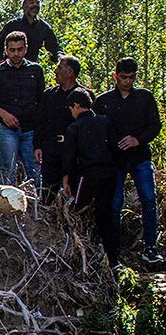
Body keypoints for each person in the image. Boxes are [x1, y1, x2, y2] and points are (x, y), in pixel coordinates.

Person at [93, 57, 163, 264]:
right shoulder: (104, 101)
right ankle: (114, 251)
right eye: (124, 77)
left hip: (140, 156)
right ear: (116, 76)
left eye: (132, 78)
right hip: (115, 160)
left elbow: (155, 125)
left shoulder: (144, 97)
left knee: (148, 200)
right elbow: (97, 130)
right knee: (115, 205)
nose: (128, 82)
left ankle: (150, 247)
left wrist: (137, 140)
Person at [62, 90, 121, 269]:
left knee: (74, 210)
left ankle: (78, 252)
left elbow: (69, 157)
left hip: (88, 176)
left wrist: (66, 180)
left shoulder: (74, 128)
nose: (71, 113)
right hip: (109, 174)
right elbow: (115, 147)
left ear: (77, 106)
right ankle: (113, 259)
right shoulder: (104, 121)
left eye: (71, 109)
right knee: (105, 215)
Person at [0, 30, 45, 187]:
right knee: (7, 170)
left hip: (30, 128)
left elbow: (41, 101)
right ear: (6, 50)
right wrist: (3, 114)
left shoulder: (35, 70)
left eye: (20, 49)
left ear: (26, 49)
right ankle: (7, 208)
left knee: (34, 171)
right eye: (12, 50)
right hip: (6, 128)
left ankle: (37, 208)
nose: (16, 54)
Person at [35, 56, 92, 200]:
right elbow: (40, 122)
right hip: (51, 148)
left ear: (70, 72)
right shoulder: (49, 95)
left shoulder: (85, 96)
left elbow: (91, 125)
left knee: (73, 192)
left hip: (75, 151)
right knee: (48, 193)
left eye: (59, 67)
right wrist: (38, 146)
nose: (55, 70)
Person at [0, 0, 64, 65]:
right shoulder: (13, 25)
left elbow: (54, 46)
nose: (35, 5)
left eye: (37, 3)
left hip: (30, 70)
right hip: (10, 68)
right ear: (24, 7)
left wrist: (61, 57)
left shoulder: (43, 27)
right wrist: (1, 61)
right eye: (31, 2)